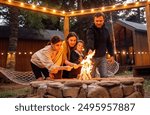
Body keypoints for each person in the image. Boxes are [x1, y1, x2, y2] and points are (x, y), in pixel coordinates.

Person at [86, 12, 114, 77]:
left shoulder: (106, 31)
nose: (98, 22)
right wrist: (90, 48)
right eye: (97, 21)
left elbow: (109, 43)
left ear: (103, 20)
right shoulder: (90, 30)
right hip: (92, 57)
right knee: (90, 76)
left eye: (100, 21)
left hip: (102, 57)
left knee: (104, 76)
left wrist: (112, 54)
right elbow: (90, 39)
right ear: (94, 20)